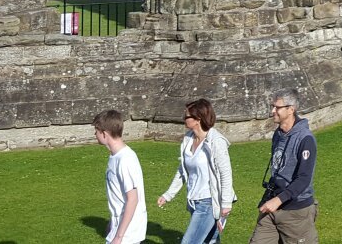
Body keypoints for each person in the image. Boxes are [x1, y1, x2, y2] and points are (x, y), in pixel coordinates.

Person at [159, 98, 236, 244]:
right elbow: (182, 170)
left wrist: (226, 203)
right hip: (194, 201)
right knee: (210, 241)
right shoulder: (188, 139)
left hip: (208, 201)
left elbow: (225, 173)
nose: (183, 119)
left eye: (186, 116)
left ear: (198, 119)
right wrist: (168, 195)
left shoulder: (216, 141)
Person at [252, 89, 317, 244]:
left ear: (291, 109)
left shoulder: (305, 139)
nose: (272, 111)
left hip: (296, 212)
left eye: (277, 107)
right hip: (272, 205)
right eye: (272, 106)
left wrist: (278, 200)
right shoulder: (278, 134)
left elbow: (304, 179)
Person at [94, 109, 148, 244]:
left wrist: (119, 236)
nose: (95, 134)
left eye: (96, 130)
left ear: (104, 134)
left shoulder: (125, 160)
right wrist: (112, 222)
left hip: (128, 232)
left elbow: (133, 199)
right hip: (119, 226)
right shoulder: (115, 156)